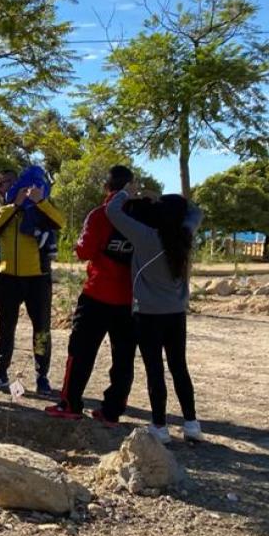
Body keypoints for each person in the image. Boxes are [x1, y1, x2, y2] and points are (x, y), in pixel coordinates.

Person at [106, 189, 204, 443]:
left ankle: (160, 426)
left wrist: (126, 192)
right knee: (179, 367)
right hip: (176, 313)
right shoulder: (185, 234)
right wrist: (181, 205)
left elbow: (112, 211)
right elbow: (196, 211)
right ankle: (191, 424)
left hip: (148, 314)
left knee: (155, 370)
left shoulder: (145, 236)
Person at [47, 165, 138, 424]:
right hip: (129, 299)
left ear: (106, 187)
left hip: (97, 294)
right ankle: (112, 411)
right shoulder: (140, 215)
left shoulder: (99, 214)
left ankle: (71, 403)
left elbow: (84, 251)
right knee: (124, 358)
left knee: (80, 351)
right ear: (130, 186)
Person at [0, 169, 65, 396]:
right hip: (7, 277)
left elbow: (59, 222)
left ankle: (42, 376)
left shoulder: (41, 205)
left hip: (38, 279)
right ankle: (0, 372)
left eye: (7, 182)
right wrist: (15, 206)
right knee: (5, 328)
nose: (2, 188)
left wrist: (39, 201)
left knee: (41, 330)